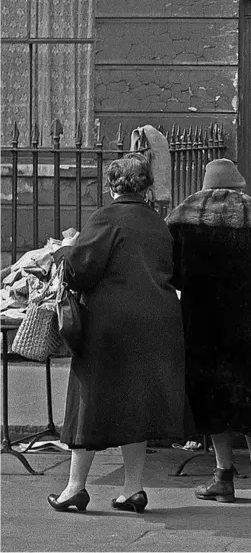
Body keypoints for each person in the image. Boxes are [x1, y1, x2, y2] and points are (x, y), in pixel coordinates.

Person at [48, 153, 187, 513]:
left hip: (111, 324)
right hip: (157, 322)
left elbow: (80, 271)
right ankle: (133, 489)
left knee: (88, 402)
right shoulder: (159, 223)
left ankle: (75, 487)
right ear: (146, 186)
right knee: (135, 406)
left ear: (112, 185)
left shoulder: (107, 217)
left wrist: (63, 251)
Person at [166, 158, 251, 503]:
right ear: (240, 186)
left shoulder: (182, 223)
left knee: (212, 401)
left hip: (202, 327)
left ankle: (222, 476)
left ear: (205, 186)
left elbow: (175, 277)